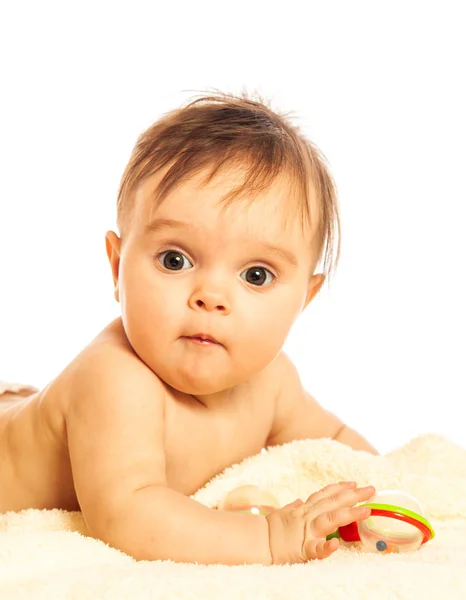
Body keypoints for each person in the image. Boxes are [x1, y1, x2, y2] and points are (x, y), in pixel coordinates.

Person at [0, 92, 377, 566]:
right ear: (117, 268)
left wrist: (380, 491)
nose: (210, 296)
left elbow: (336, 444)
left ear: (305, 297)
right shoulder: (117, 379)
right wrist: (268, 539)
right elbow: (128, 514)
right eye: (174, 260)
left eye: (256, 275)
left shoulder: (273, 382)